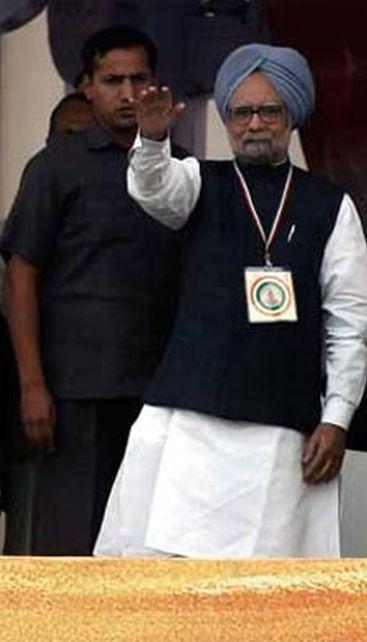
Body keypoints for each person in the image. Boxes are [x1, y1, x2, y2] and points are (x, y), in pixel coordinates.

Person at [93, 43, 367, 558]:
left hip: (280, 430)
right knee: (159, 579)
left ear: (292, 116)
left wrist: (336, 417)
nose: (254, 124)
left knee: (263, 595)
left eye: (269, 110)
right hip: (187, 420)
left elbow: (349, 322)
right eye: (241, 112)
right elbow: (153, 191)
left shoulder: (330, 205)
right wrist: (154, 141)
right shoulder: (200, 180)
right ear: (226, 118)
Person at [0, 25, 183, 555]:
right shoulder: (56, 166)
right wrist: (31, 385)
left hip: (161, 393)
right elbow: (20, 276)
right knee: (74, 545)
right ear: (86, 87)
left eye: (139, 79)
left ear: (157, 84)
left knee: (152, 546)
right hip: (75, 392)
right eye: (113, 80)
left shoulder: (181, 165)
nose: (129, 93)